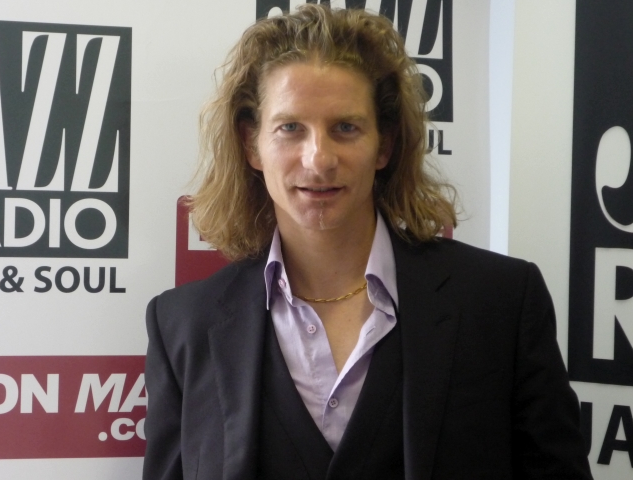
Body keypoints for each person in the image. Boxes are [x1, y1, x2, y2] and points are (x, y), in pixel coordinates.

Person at [143, 5, 592, 479]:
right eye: (290, 128)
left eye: (345, 128)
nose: (318, 160)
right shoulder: (182, 327)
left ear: (385, 145)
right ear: (252, 144)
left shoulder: (501, 302)